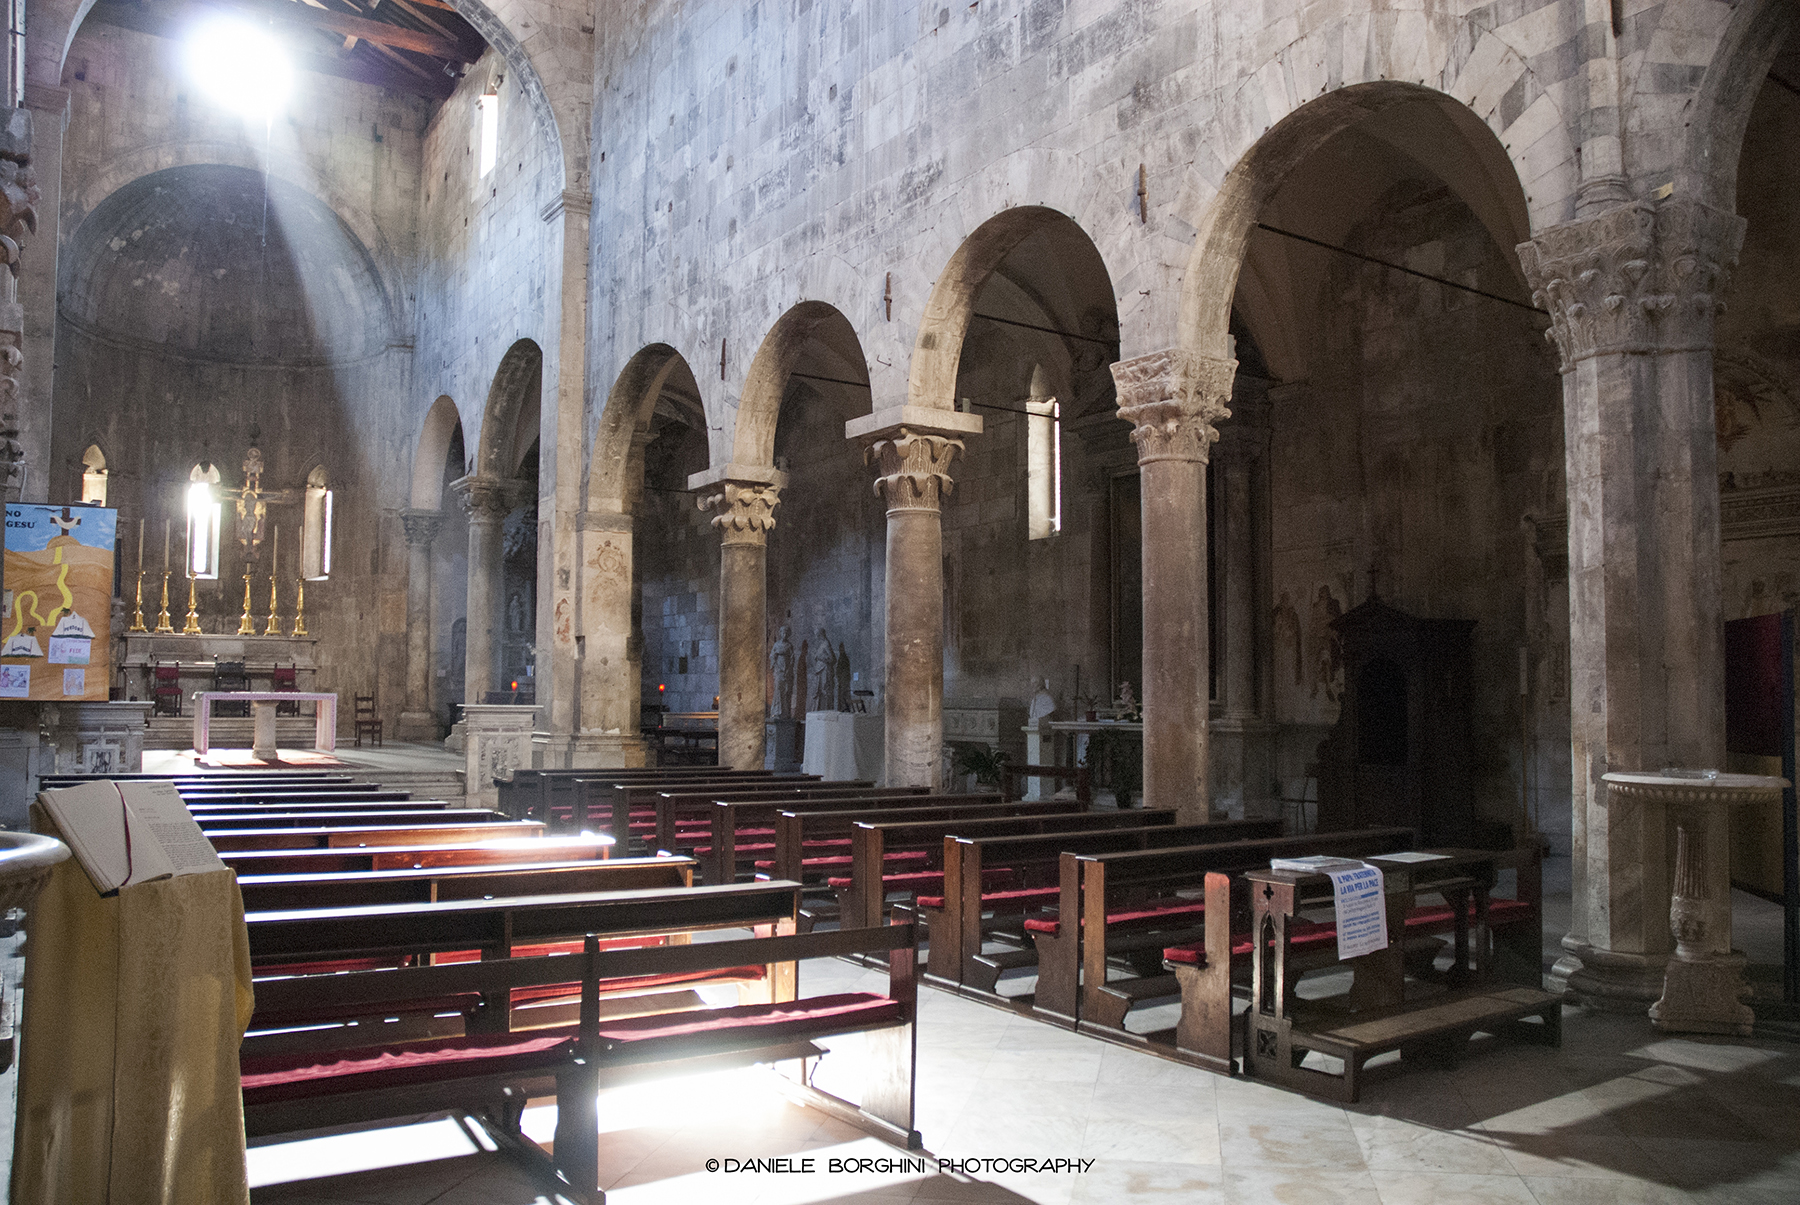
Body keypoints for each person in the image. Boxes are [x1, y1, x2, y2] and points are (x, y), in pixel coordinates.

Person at [769, 625, 794, 719]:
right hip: (778, 669)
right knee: (778, 688)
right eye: (783, 632)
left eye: (786, 633)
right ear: (780, 633)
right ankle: (776, 711)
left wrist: (789, 669)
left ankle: (785, 712)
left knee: (785, 690)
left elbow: (792, 659)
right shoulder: (776, 645)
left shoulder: (789, 645)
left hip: (786, 670)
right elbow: (772, 656)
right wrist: (775, 657)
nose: (784, 635)